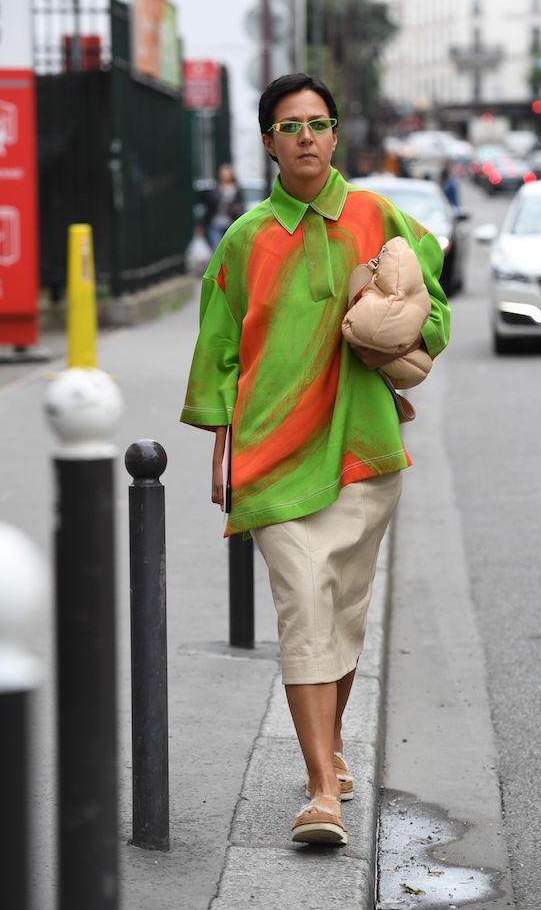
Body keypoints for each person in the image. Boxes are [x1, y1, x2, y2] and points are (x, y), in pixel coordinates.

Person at [180, 73, 450, 847]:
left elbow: (435, 309)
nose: (306, 137)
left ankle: (328, 754)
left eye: (318, 123)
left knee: (343, 616)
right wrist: (221, 450)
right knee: (304, 608)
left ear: (335, 135)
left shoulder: (377, 215)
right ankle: (321, 790)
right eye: (290, 126)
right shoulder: (244, 238)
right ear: (269, 142)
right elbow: (218, 350)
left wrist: (401, 325)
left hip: (363, 450)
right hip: (271, 456)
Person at [201, 163, 244, 250]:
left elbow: (241, 207)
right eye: (223, 174)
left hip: (231, 224)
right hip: (215, 224)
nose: (225, 176)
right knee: (217, 248)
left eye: (227, 174)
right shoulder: (214, 189)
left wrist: (236, 208)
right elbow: (208, 207)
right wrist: (202, 224)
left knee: (230, 249)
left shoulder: (236, 190)